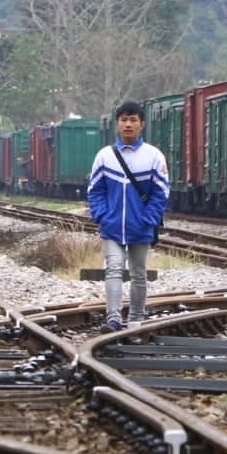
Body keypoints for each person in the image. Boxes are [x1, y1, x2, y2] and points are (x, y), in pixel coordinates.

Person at [86, 101, 170, 331]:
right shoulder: (104, 156)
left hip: (141, 227)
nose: (128, 124)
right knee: (113, 269)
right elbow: (95, 191)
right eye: (124, 120)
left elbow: (160, 194)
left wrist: (148, 220)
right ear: (117, 124)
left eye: (133, 120)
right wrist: (102, 216)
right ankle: (113, 319)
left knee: (138, 274)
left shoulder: (154, 156)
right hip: (112, 227)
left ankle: (136, 319)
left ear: (142, 124)